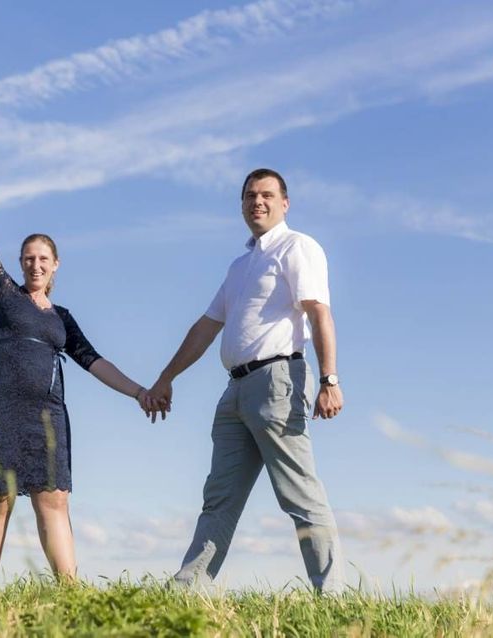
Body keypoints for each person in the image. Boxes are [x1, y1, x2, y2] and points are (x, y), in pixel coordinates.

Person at [0, 155, 153, 586]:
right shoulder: (4, 294)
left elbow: (95, 361)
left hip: (48, 417)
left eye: (43, 259)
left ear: (55, 265)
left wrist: (139, 391)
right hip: (0, 410)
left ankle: (69, 592)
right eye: (28, 258)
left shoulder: (62, 318)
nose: (35, 264)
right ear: (20, 263)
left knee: (53, 500)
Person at [146, 168, 345, 593]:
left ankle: (331, 597)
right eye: (250, 196)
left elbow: (318, 312)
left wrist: (330, 379)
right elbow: (205, 327)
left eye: (267, 195)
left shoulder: (297, 247)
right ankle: (185, 592)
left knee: (300, 495)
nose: (258, 202)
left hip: (278, 380)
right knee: (219, 498)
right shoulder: (241, 265)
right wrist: (166, 377)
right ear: (241, 205)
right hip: (234, 390)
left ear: (284, 203)